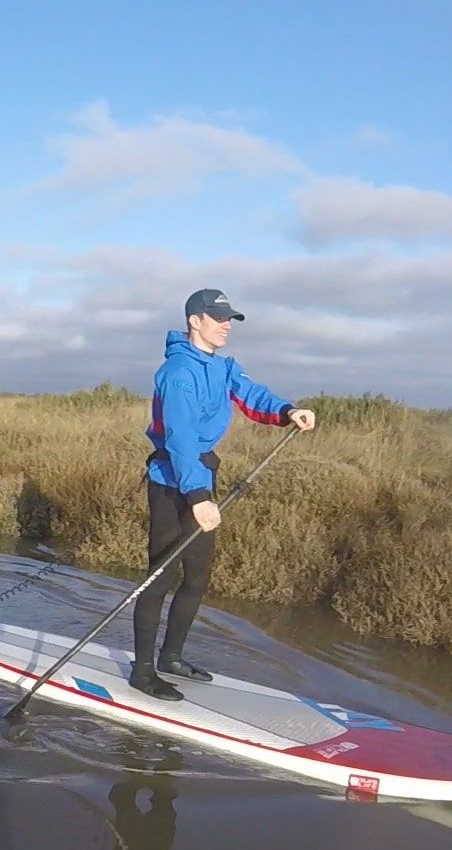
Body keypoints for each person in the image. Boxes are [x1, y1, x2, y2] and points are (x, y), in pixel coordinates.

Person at [130, 288, 316, 701]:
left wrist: (288, 411)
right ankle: (141, 671)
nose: (227, 325)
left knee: (196, 577)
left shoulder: (225, 367)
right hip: (171, 482)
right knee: (160, 578)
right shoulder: (178, 371)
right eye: (218, 318)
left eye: (230, 318)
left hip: (202, 479)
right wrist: (197, 496)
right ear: (195, 321)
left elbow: (253, 396)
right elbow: (178, 438)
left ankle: (171, 658)